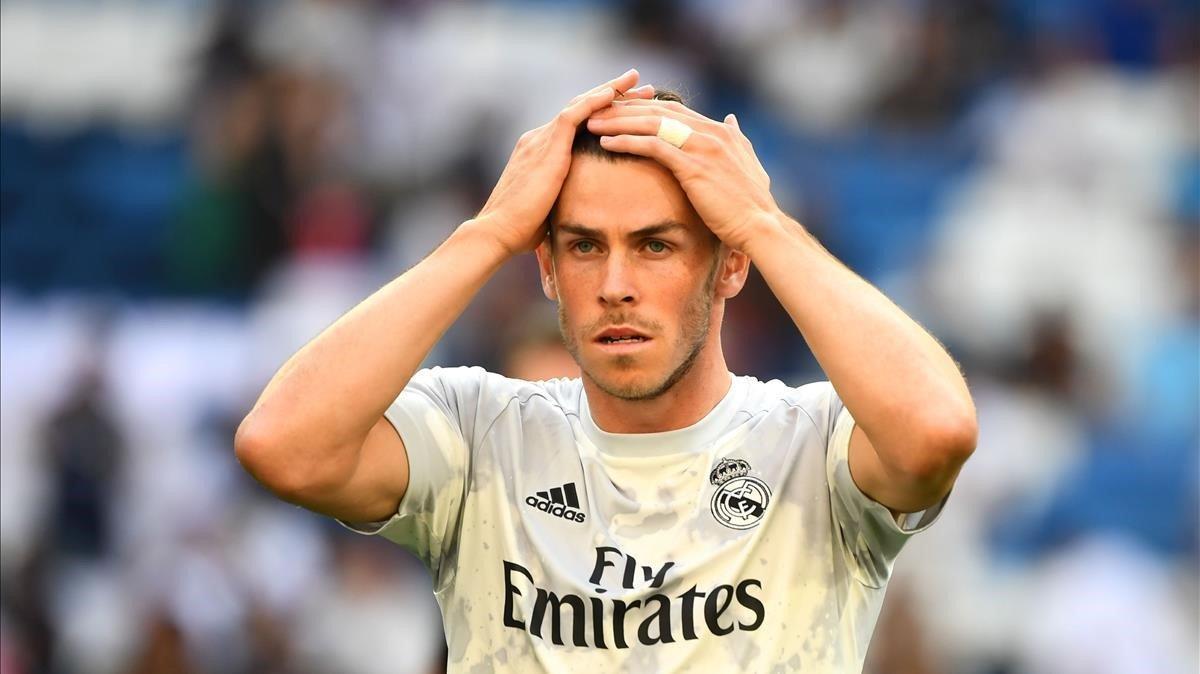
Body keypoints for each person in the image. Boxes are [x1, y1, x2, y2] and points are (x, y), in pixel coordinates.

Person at [235, 69, 978, 673]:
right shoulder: (480, 435)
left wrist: (764, 223)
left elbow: (936, 432)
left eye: (656, 246)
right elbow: (284, 447)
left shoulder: (810, 445)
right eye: (585, 246)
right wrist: (490, 232)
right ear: (549, 270)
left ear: (729, 268)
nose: (615, 283)